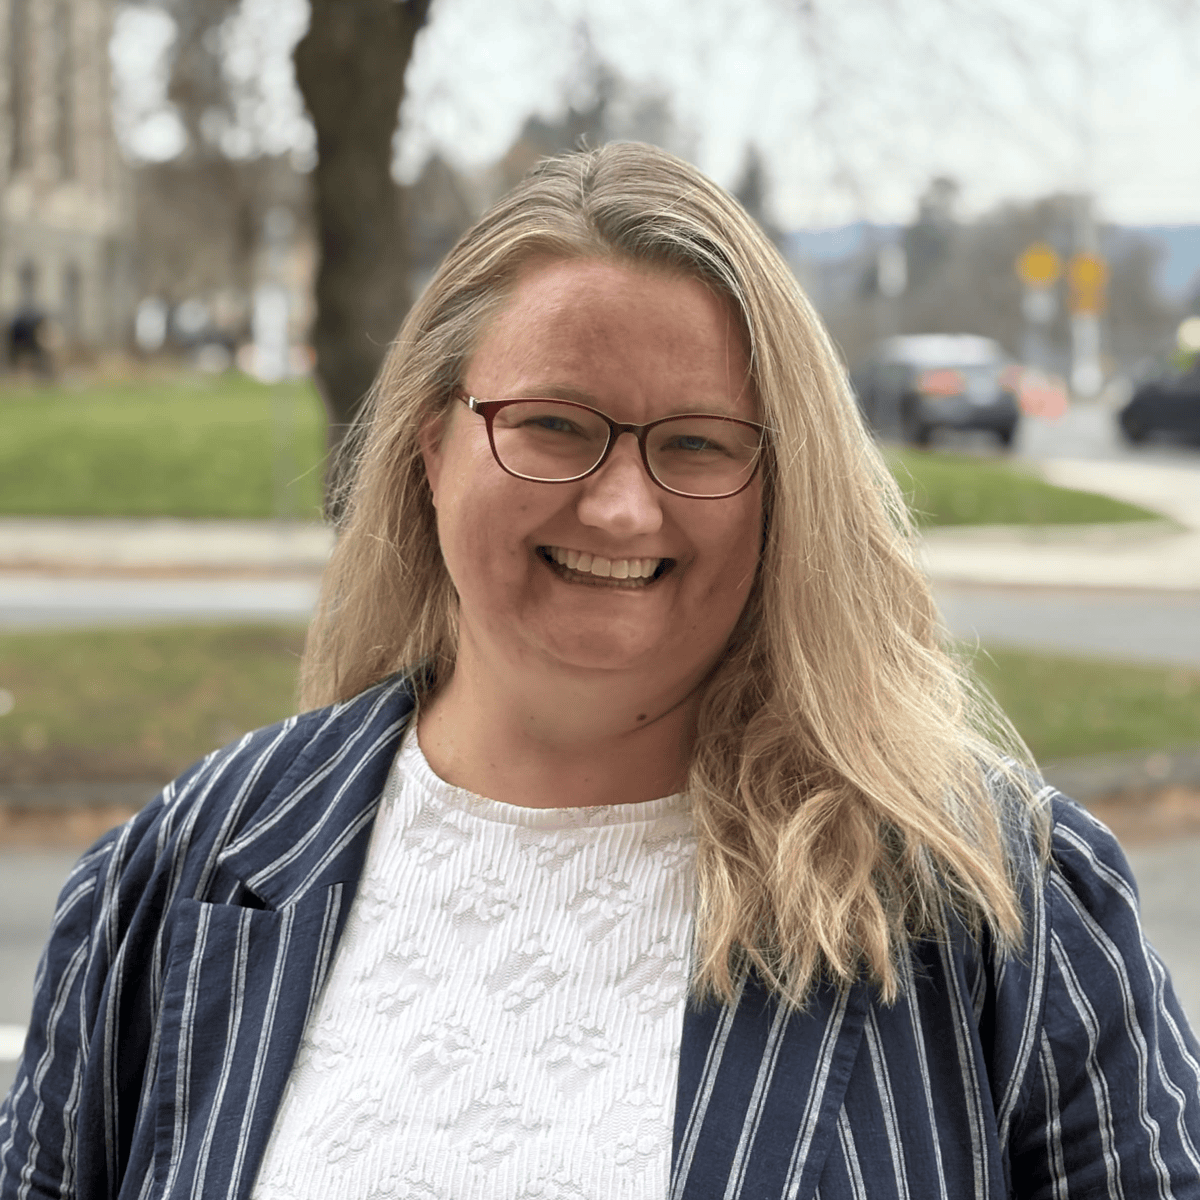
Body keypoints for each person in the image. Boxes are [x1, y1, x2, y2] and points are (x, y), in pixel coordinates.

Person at [2, 143, 1198, 1200]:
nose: (623, 506)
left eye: (697, 444)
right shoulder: (178, 877)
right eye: (555, 424)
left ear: (786, 491)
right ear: (432, 445)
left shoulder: (988, 902)